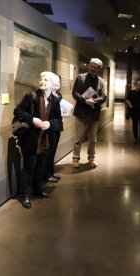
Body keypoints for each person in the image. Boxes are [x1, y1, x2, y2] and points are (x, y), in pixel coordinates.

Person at [13, 71, 63, 209]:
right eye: (41, 79)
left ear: (53, 85)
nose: (42, 81)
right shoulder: (31, 96)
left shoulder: (55, 101)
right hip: (30, 139)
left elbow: (58, 121)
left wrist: (49, 124)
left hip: (45, 140)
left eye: (46, 80)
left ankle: (37, 190)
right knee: (28, 168)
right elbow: (17, 111)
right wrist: (32, 119)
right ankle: (25, 195)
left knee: (40, 166)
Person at [71, 58, 107, 168]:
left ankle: (91, 158)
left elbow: (104, 96)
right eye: (92, 66)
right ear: (89, 66)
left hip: (94, 113)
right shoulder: (80, 77)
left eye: (95, 67)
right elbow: (74, 92)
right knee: (78, 138)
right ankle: (75, 158)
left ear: (99, 69)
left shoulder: (101, 81)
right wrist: (84, 100)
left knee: (93, 139)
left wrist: (93, 101)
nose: (93, 69)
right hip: (81, 112)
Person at [43, 73, 70, 183]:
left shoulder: (58, 95)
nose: (58, 84)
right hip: (50, 126)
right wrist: (63, 114)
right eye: (56, 81)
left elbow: (58, 110)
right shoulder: (47, 96)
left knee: (53, 150)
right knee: (48, 151)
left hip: (57, 125)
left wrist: (63, 113)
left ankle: (51, 171)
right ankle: (46, 174)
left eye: (59, 82)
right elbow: (47, 113)